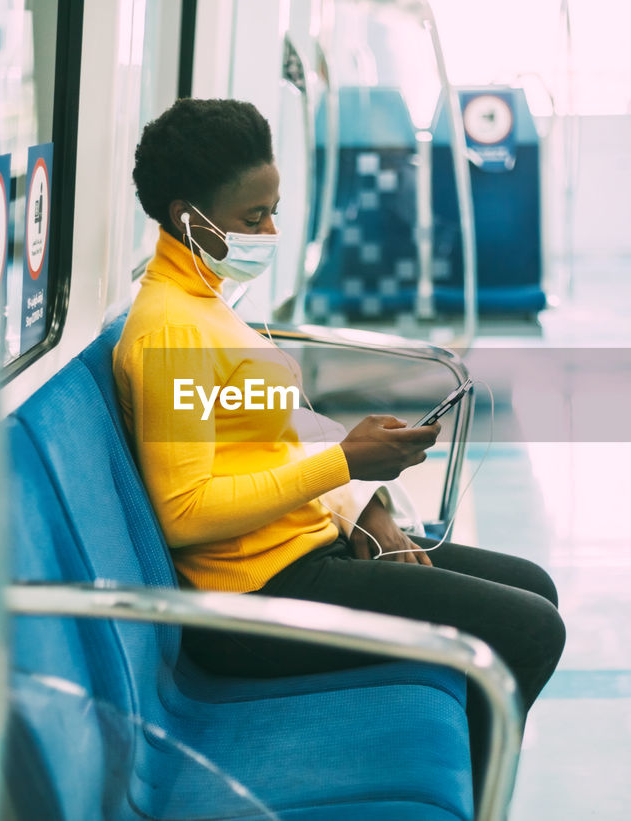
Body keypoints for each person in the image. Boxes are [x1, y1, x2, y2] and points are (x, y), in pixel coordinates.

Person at [113, 98, 564, 791]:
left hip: (305, 547)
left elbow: (278, 433)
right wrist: (346, 461)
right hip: (258, 595)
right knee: (529, 629)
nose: (271, 229)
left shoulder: (206, 302)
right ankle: (466, 798)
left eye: (274, 208)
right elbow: (185, 510)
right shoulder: (171, 329)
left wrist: (365, 503)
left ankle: (467, 789)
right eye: (252, 216)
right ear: (188, 219)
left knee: (534, 587)